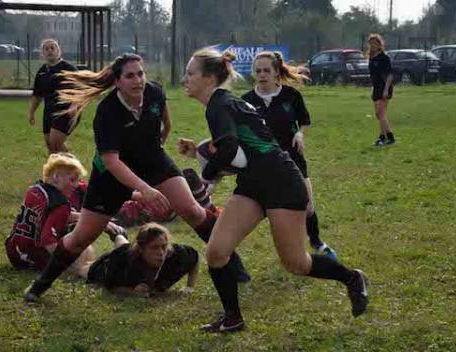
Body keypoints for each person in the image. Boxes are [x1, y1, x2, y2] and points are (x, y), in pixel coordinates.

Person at [23, 53, 249, 303]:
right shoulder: (107, 111)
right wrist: (145, 188)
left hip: (153, 161)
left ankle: (234, 267)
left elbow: (166, 125)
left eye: (140, 74)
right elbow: (112, 161)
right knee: (80, 238)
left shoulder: (155, 93)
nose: (138, 80)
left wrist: (153, 156)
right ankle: (40, 285)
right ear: (117, 81)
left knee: (193, 210)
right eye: (130, 76)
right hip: (110, 176)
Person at [182, 48, 369, 333]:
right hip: (253, 185)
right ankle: (233, 318)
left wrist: (207, 175)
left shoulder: (220, 105)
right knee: (217, 252)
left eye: (190, 73)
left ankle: (352, 278)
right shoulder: (223, 103)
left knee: (296, 263)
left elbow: (230, 148)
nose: (185, 78)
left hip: (282, 182)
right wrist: (204, 153)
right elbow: (239, 151)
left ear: (209, 79)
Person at [242, 51, 337, 260]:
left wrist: (299, 133)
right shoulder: (246, 101)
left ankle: (316, 241)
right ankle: (292, 249)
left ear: (276, 72)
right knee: (273, 210)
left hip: (293, 158)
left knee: (308, 206)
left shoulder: (291, 95)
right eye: (258, 71)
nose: (262, 74)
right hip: (264, 164)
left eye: (267, 70)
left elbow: (304, 120)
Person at [5, 152, 125, 277]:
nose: (76, 185)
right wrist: (64, 265)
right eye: (72, 180)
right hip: (32, 256)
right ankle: (101, 273)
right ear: (56, 177)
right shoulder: (60, 204)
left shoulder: (35, 190)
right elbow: (47, 241)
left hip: (14, 251)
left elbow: (51, 216)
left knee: (80, 246)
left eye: (78, 180)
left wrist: (95, 221)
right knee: (82, 249)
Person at [85, 223, 199, 297]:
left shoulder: (175, 255)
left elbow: (195, 258)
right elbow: (110, 286)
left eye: (164, 246)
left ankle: (117, 233)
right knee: (84, 268)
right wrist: (131, 292)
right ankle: (116, 233)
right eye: (154, 248)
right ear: (141, 249)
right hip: (105, 265)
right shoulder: (123, 261)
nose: (161, 253)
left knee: (126, 246)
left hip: (129, 250)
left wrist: (190, 287)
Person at [29, 39, 78, 153]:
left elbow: (80, 90)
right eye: (46, 49)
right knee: (50, 145)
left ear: (59, 51)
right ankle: (62, 169)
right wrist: (32, 112)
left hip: (66, 110)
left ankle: (74, 168)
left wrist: (74, 106)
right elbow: (37, 95)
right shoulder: (42, 72)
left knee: (55, 142)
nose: (49, 51)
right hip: (49, 110)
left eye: (52, 48)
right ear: (43, 53)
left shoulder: (69, 68)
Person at [367, 33, 396, 146]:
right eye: (371, 43)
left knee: (381, 113)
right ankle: (384, 137)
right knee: (379, 115)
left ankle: (387, 137)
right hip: (376, 88)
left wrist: (386, 89)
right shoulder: (371, 57)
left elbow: (390, 75)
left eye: (375, 43)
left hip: (384, 87)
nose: (373, 45)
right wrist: (373, 87)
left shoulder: (384, 58)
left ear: (380, 44)